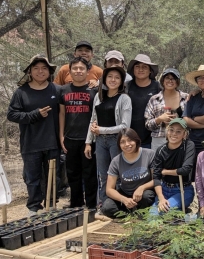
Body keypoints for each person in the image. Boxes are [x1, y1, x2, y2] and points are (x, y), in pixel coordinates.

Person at [7, 54, 60, 215]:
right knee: (32, 178)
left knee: (53, 176)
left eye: (44, 68)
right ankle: (34, 207)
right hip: (30, 142)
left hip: (53, 141)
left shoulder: (56, 90)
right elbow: (12, 115)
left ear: (49, 71)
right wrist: (33, 114)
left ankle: (51, 205)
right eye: (36, 68)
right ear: (29, 71)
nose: (40, 71)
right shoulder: (21, 92)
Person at [85, 66, 132, 206]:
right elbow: (93, 120)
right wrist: (88, 142)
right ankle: (105, 205)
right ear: (104, 79)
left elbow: (125, 126)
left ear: (122, 81)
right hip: (99, 142)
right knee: (103, 175)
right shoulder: (99, 97)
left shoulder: (124, 99)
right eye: (110, 76)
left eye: (117, 77)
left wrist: (101, 130)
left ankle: (121, 205)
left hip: (117, 141)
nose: (113, 80)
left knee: (117, 175)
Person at [58, 57, 98, 209]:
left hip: (88, 139)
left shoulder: (93, 91)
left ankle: (91, 204)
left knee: (89, 173)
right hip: (70, 137)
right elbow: (62, 114)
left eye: (82, 68)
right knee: (72, 173)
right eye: (75, 68)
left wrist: (91, 138)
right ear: (70, 71)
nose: (78, 71)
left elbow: (96, 116)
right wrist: (61, 136)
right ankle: (76, 203)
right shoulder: (63, 90)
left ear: (88, 71)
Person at [102, 129, 156, 218]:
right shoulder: (116, 161)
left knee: (147, 197)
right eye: (122, 142)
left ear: (136, 140)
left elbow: (156, 179)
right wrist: (123, 199)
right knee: (107, 207)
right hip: (125, 193)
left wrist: (142, 188)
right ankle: (128, 215)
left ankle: (142, 215)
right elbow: (109, 189)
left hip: (144, 193)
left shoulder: (149, 154)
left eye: (130, 140)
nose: (127, 144)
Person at [150, 118, 196, 214]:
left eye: (178, 131)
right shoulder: (160, 150)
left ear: (184, 134)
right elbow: (156, 177)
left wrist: (165, 172)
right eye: (171, 130)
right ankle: (179, 212)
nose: (174, 134)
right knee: (152, 216)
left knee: (163, 212)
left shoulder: (188, 146)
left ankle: (179, 213)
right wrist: (161, 198)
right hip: (164, 189)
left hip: (183, 189)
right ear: (167, 132)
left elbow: (185, 170)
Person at [144, 68, 188, 150]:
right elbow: (147, 124)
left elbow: (190, 119)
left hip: (180, 138)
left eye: (173, 78)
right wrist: (159, 119)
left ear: (177, 81)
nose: (170, 81)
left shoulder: (186, 98)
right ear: (163, 80)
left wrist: (178, 120)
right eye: (167, 78)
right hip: (159, 139)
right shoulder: (154, 99)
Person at [125, 54, 161, 149]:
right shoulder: (126, 87)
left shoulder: (158, 87)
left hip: (152, 138)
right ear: (133, 69)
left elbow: (174, 95)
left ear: (150, 71)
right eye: (137, 66)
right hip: (129, 138)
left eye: (144, 67)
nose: (141, 69)